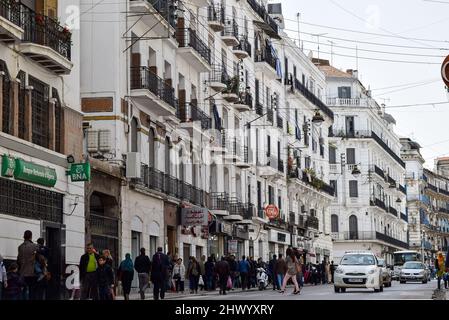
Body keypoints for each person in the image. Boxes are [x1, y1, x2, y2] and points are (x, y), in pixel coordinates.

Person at [17, 230, 38, 300]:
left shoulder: (20, 247)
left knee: (23, 290)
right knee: (31, 292)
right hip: (31, 273)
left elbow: (18, 260)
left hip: (22, 272)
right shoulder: (34, 246)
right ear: (31, 237)